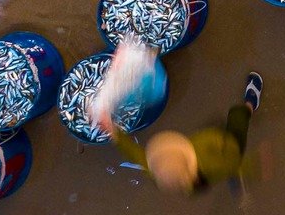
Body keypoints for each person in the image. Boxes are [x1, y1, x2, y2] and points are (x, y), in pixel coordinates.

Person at [110, 72, 262, 196]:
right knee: (236, 118)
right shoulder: (211, 164)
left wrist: (113, 132)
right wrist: (255, 164)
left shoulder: (155, 168)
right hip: (227, 149)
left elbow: (134, 153)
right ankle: (250, 104)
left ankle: (232, 175)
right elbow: (233, 164)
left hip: (200, 182)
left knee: (225, 159)